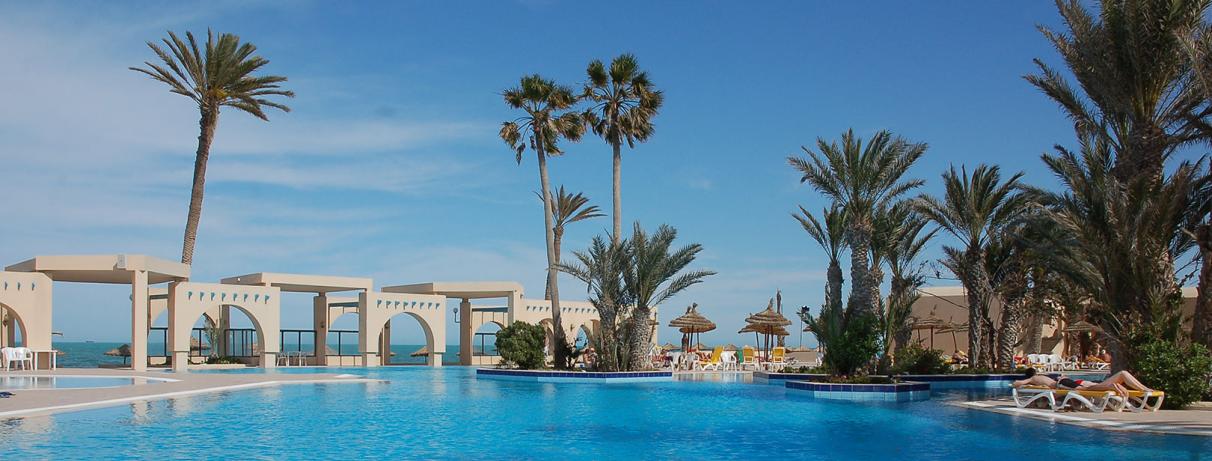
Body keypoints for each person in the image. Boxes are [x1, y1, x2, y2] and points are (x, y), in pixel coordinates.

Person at [1011, 368, 1154, 399]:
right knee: (1122, 373)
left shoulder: (1034, 378)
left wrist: (1013, 384)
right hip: (1069, 381)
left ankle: (1111, 386)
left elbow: (1018, 383)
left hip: (1063, 383)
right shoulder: (1043, 376)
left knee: (1085, 388)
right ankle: (1146, 389)